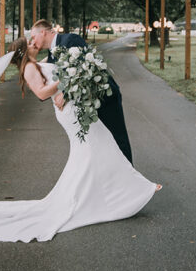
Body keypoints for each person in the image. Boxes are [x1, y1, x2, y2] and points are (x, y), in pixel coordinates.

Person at [0, 37, 160, 243]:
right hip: (69, 113)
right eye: (28, 44)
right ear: (22, 51)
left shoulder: (37, 63)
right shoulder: (29, 67)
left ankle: (118, 189)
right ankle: (127, 189)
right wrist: (65, 83)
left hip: (73, 108)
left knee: (97, 147)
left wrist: (71, 79)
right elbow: (41, 93)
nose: (33, 44)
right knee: (96, 146)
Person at [28, 19, 134, 164]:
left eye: (33, 37)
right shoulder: (51, 55)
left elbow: (86, 68)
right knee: (101, 143)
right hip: (87, 105)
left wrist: (66, 94)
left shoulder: (70, 39)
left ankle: (130, 179)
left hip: (104, 96)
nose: (33, 41)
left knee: (117, 137)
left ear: (43, 32)